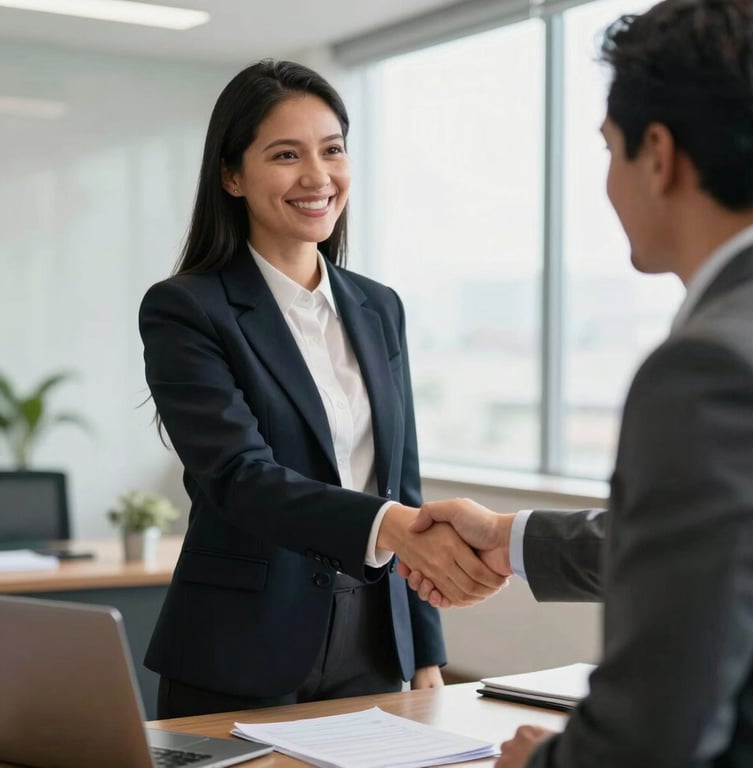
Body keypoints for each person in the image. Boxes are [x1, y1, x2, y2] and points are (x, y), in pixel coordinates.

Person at [400, 0, 753, 765]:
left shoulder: (710, 369)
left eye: (609, 149)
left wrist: (540, 763)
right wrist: (508, 538)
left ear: (659, 154)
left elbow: (657, 731)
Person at [138, 59, 506, 719]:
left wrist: (424, 643)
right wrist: (390, 525)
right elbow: (239, 478)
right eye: (286, 154)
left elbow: (403, 477)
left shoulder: (377, 306)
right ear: (232, 175)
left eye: (332, 150)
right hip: (241, 642)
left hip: (372, 635)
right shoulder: (187, 309)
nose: (317, 176)